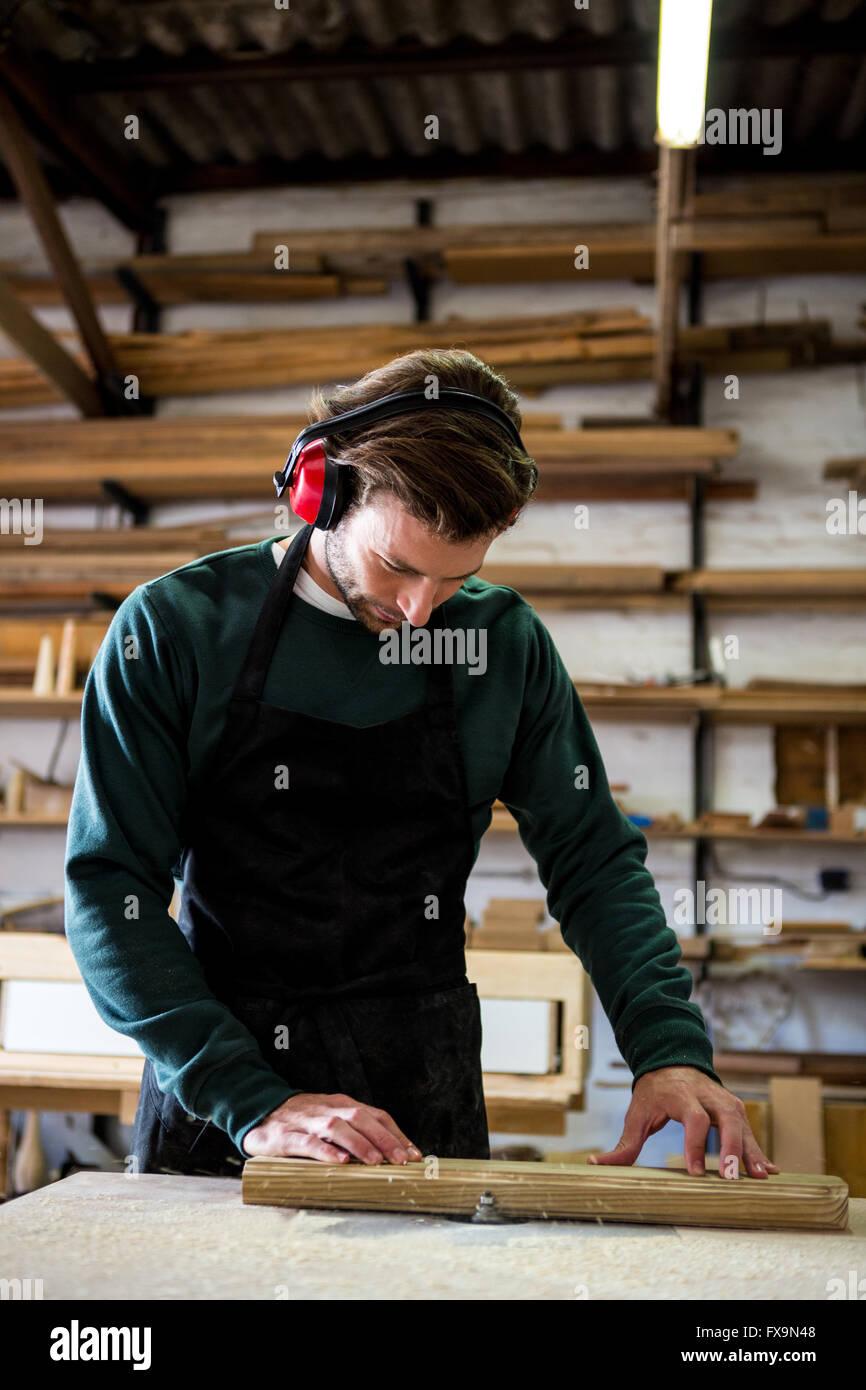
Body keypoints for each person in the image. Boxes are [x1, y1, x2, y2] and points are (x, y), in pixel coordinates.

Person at [65, 348, 777, 1182]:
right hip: (222, 1100)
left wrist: (668, 1049)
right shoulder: (176, 630)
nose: (416, 612)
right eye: (397, 567)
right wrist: (249, 1098)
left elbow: (595, 862)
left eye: (455, 579)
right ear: (321, 492)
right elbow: (111, 891)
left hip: (425, 1084)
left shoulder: (503, 646)